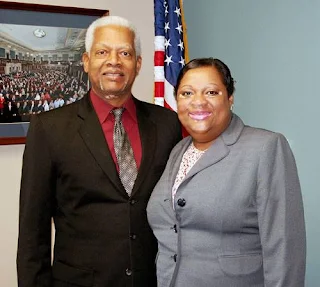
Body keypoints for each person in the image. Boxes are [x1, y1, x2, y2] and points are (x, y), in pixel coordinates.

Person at [17, 15, 182, 287]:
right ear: (86, 61)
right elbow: (32, 232)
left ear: (138, 64)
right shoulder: (49, 128)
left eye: (125, 53)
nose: (114, 61)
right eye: (102, 52)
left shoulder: (167, 124)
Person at [147, 58, 306, 287]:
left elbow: (284, 248)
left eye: (211, 92)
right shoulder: (178, 150)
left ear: (229, 98)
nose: (198, 102)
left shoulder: (266, 148)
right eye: (187, 93)